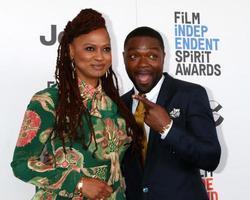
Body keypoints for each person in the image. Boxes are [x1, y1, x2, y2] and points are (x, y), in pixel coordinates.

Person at [11, 9, 141, 200]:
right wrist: (78, 182)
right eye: (90, 48)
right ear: (71, 50)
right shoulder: (48, 101)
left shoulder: (116, 105)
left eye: (106, 49)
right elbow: (21, 165)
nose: (100, 57)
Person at [121, 26, 221, 200]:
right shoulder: (119, 105)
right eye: (134, 56)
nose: (143, 63)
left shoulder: (190, 94)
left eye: (152, 56)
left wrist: (168, 129)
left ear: (163, 57)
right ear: (124, 58)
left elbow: (210, 158)